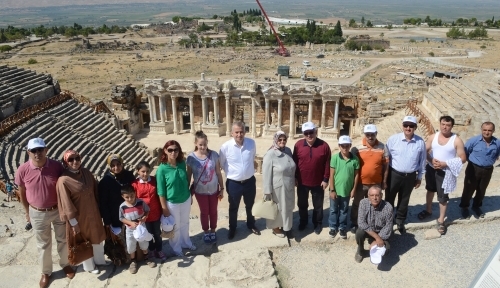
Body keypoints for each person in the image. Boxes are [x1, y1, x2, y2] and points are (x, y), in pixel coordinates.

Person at [14, 138, 75, 288]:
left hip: (57, 209)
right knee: (43, 244)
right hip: (37, 212)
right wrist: (27, 212)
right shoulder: (23, 170)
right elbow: (22, 192)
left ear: (46, 150)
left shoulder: (56, 166)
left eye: (40, 149)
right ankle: (46, 272)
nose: (37, 153)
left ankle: (65, 264)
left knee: (63, 239)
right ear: (28, 152)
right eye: (33, 150)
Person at [56, 150, 108, 274]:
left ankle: (100, 261)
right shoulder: (63, 180)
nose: (75, 161)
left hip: (93, 212)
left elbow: (95, 190)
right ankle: (89, 267)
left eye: (77, 158)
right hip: (80, 217)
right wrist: (73, 223)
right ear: (66, 162)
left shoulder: (86, 172)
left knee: (97, 236)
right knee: (84, 241)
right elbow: (66, 203)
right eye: (71, 159)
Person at [420, 116, 466, 235]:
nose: (445, 127)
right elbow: (425, 150)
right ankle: (428, 210)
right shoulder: (433, 137)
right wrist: (431, 160)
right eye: (443, 124)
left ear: (451, 126)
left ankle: (441, 220)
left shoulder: (456, 140)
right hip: (431, 168)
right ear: (440, 124)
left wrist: (444, 164)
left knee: (443, 197)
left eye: (448, 125)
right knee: (430, 190)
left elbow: (463, 158)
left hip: (445, 172)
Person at [385, 116, 426, 234]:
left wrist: (419, 177)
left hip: (410, 175)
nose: (408, 128)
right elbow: (386, 159)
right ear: (402, 126)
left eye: (411, 126)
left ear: (415, 127)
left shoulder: (420, 142)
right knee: (389, 198)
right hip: (394, 174)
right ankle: (388, 219)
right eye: (406, 125)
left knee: (404, 199)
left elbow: (422, 161)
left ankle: (400, 220)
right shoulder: (393, 139)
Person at [219, 122, 260, 240]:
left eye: (241, 131)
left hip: (249, 181)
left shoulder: (251, 143)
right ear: (232, 133)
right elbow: (221, 163)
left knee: (250, 205)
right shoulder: (225, 147)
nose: (239, 134)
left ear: (245, 132)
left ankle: (251, 224)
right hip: (234, 183)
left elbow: (252, 158)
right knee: (233, 207)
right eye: (236, 132)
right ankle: (232, 228)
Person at [156, 140, 197, 256]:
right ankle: (177, 248)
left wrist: (189, 195)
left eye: (176, 150)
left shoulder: (181, 163)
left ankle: (186, 242)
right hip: (172, 202)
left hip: (185, 199)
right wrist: (164, 208)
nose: (173, 152)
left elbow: (185, 181)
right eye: (170, 150)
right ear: (165, 151)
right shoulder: (161, 169)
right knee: (176, 226)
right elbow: (161, 191)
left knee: (185, 223)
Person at [293, 121, 331, 234]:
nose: (309, 135)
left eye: (311, 132)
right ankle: (303, 221)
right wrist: (295, 177)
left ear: (316, 132)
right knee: (302, 204)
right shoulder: (298, 145)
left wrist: (325, 179)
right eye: (306, 133)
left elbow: (327, 164)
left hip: (318, 182)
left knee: (318, 205)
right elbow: (294, 162)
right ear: (303, 134)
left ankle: (317, 223)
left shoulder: (324, 146)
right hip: (302, 182)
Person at [186, 131, 224, 244]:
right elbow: (189, 175)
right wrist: (188, 191)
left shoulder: (214, 155)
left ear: (207, 143)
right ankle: (206, 232)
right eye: (200, 144)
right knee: (204, 211)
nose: (203, 147)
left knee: (213, 211)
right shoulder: (191, 158)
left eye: (204, 144)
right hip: (200, 191)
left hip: (213, 189)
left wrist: (222, 188)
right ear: (196, 143)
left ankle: (213, 230)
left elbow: (218, 172)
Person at [350, 124, 389, 234]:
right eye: (368, 135)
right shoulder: (357, 148)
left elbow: (386, 166)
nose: (370, 137)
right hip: (361, 183)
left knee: (375, 204)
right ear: (365, 135)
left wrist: (384, 182)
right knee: (357, 203)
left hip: (376, 184)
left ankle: (372, 223)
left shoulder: (383, 147)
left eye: (372, 134)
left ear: (376, 134)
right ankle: (354, 222)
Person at [98, 154, 135, 262]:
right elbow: (103, 203)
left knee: (132, 237)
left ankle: (134, 258)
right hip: (115, 217)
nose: (116, 167)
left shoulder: (129, 176)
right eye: (113, 165)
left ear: (122, 164)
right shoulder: (105, 182)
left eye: (118, 164)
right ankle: (124, 259)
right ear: (109, 166)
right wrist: (107, 222)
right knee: (119, 240)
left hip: (131, 213)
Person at [460, 122, 500, 219]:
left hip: (488, 169)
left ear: (493, 131)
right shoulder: (474, 141)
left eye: (489, 130)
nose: (487, 132)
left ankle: (476, 206)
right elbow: (465, 151)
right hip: (473, 168)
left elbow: (497, 153)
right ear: (481, 130)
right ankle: (464, 207)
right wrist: (472, 161)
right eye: (485, 130)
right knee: (469, 189)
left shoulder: (497, 142)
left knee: (482, 190)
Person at [262, 131, 296, 238]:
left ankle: (286, 227)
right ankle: (275, 228)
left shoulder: (288, 151)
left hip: (289, 185)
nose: (282, 141)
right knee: (278, 208)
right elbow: (266, 174)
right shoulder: (270, 154)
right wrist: (267, 191)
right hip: (277, 188)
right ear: (275, 140)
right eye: (280, 139)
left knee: (288, 207)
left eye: (284, 139)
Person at [131, 161, 167, 261]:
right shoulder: (135, 184)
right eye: (142, 171)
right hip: (143, 216)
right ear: (138, 171)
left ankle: (159, 249)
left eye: (147, 171)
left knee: (157, 233)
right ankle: (151, 250)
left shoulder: (154, 180)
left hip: (155, 213)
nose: (145, 174)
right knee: (148, 234)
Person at [119, 184, 156, 274]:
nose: (130, 199)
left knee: (143, 243)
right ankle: (133, 261)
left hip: (141, 227)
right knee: (131, 245)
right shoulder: (122, 206)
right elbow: (121, 218)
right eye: (127, 197)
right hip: (130, 229)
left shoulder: (140, 202)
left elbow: (147, 210)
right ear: (123, 197)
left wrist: (144, 217)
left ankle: (147, 258)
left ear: (135, 193)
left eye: (132, 196)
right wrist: (130, 223)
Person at [329, 135, 360, 239]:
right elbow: (331, 175)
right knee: (333, 210)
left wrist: (354, 189)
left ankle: (342, 227)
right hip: (336, 190)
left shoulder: (355, 159)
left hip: (347, 190)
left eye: (347, 145)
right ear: (339, 146)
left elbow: (356, 175)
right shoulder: (335, 158)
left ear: (350, 146)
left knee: (344, 210)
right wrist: (332, 190)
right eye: (342, 146)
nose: (345, 148)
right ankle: (333, 227)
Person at [355, 186, 393, 263]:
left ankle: (377, 247)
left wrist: (378, 239)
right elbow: (361, 223)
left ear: (381, 196)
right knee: (359, 232)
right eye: (372, 195)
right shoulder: (363, 203)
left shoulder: (388, 207)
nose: (374, 198)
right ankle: (360, 250)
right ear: (368, 196)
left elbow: (388, 227)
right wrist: (377, 238)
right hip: (368, 230)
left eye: (377, 195)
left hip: (381, 232)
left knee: (386, 251)